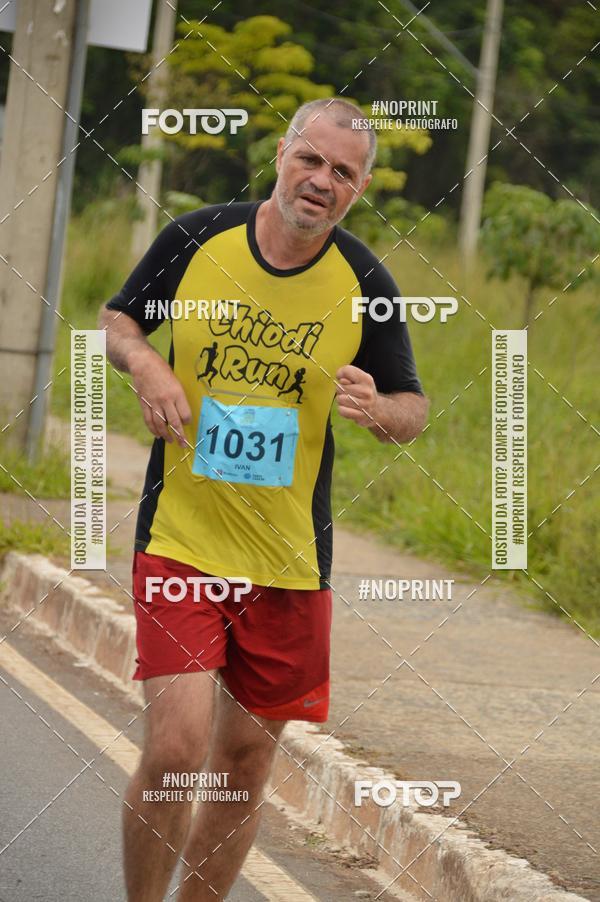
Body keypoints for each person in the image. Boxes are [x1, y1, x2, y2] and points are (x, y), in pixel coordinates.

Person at [99, 97, 428, 901]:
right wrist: (149, 367)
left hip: (287, 560)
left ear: (361, 187)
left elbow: (412, 410)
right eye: (310, 160)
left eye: (342, 173)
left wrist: (377, 409)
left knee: (246, 762)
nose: (321, 181)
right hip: (181, 536)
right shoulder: (196, 237)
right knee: (177, 749)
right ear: (283, 154)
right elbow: (118, 322)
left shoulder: (366, 282)